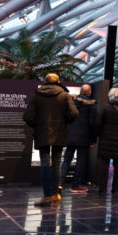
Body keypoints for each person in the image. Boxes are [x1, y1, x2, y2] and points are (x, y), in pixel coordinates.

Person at [23, 73, 77, 207]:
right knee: (57, 163)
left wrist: (38, 125)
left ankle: (47, 196)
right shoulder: (65, 95)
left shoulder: (37, 95)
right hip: (59, 132)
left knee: (45, 162)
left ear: (45, 82)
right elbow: (74, 113)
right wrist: (64, 122)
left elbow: (28, 117)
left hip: (42, 133)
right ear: (58, 81)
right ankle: (54, 194)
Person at [93, 88, 118, 198]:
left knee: (104, 165)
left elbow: (98, 124)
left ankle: (102, 188)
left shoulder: (105, 108)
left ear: (110, 96)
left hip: (106, 140)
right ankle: (116, 188)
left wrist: (96, 136)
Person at [61, 84, 98, 193]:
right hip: (83, 137)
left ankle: (59, 183)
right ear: (89, 92)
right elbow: (93, 124)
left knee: (67, 159)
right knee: (81, 161)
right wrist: (92, 140)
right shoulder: (91, 105)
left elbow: (65, 118)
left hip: (70, 136)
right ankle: (76, 185)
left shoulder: (71, 102)